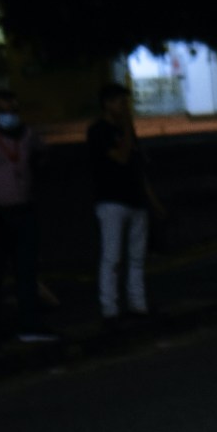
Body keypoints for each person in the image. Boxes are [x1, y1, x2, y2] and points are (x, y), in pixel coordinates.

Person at [89, 84, 163, 324]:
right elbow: (121, 157)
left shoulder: (125, 130)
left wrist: (152, 201)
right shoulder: (99, 131)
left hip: (135, 200)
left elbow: (138, 167)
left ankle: (137, 304)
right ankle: (110, 309)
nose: (125, 107)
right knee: (112, 258)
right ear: (107, 104)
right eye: (121, 102)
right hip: (111, 201)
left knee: (136, 257)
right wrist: (128, 131)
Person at [0, 90, 56, 344]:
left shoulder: (27, 134)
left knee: (27, 271)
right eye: (3, 110)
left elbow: (43, 155)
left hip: (24, 209)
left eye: (12, 110)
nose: (9, 115)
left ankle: (29, 325)